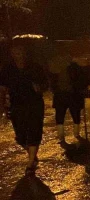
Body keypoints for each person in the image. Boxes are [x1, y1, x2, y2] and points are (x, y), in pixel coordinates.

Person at [0, 44, 48, 174]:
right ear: (12, 54)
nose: (18, 55)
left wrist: (39, 87)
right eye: (15, 52)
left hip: (34, 104)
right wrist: (3, 105)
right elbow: (2, 88)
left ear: (25, 53)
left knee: (34, 131)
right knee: (20, 136)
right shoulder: (8, 69)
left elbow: (46, 83)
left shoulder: (35, 67)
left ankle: (30, 163)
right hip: (17, 105)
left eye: (20, 52)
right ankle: (32, 154)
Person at [49, 49, 88, 144]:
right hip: (73, 95)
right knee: (75, 114)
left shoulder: (55, 67)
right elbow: (83, 80)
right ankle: (76, 133)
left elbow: (51, 81)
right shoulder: (75, 67)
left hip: (60, 95)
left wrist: (54, 90)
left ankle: (61, 136)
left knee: (60, 116)